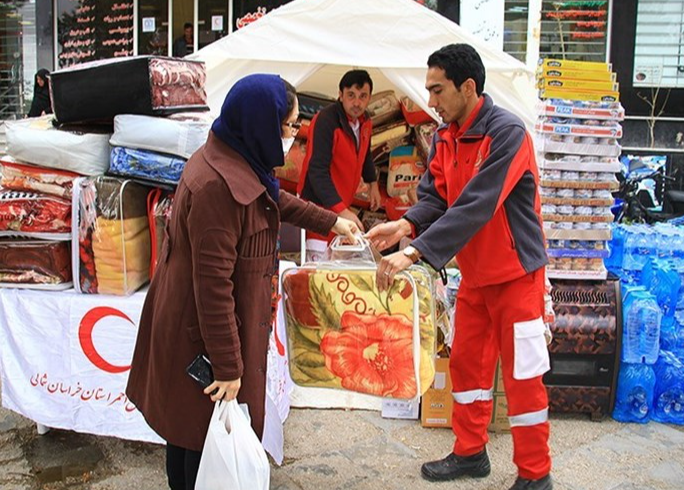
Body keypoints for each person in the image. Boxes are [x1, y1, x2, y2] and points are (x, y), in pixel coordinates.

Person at [126, 74, 358, 490]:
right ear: (261, 124)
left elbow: (272, 199)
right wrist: (230, 368)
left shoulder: (234, 155)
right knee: (199, 438)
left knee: (192, 432)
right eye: (288, 126)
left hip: (198, 327)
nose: (291, 135)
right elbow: (213, 288)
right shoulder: (218, 185)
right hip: (199, 335)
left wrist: (332, 220)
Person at [366, 44, 552, 490]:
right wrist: (403, 225)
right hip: (476, 276)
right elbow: (436, 198)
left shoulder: (507, 133)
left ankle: (535, 473)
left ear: (468, 87)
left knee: (523, 378)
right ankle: (470, 453)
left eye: (437, 90)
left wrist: (413, 252)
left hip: (518, 276)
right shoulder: (445, 136)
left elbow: (477, 204)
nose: (430, 100)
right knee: (467, 367)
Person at [297, 69, 381, 258]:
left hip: (341, 203)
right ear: (340, 95)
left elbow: (365, 152)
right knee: (318, 267)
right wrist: (342, 211)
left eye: (362, 96)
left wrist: (372, 183)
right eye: (351, 95)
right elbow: (317, 171)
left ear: (369, 98)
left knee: (336, 262)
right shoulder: (326, 120)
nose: (357, 102)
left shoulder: (365, 121)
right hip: (318, 205)